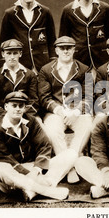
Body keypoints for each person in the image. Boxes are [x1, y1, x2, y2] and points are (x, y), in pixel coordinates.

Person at [0, 91, 77, 201]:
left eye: (21, 106)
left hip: (33, 168)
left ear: (25, 108)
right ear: (6, 107)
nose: (18, 109)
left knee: (71, 154)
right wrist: (32, 175)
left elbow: (44, 145)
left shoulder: (31, 121)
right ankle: (46, 191)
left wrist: (36, 170)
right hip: (12, 175)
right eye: (14, 105)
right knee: (0, 168)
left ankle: (31, 191)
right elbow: (4, 158)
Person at [37, 36, 94, 183]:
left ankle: (67, 164)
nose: (66, 51)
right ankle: (71, 168)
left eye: (69, 48)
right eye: (62, 48)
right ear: (56, 50)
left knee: (87, 126)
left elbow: (89, 96)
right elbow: (44, 98)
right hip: (56, 112)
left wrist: (75, 111)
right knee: (52, 130)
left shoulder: (84, 69)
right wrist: (60, 111)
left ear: (74, 50)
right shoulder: (46, 70)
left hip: (78, 112)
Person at [59, 0, 109, 76]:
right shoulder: (68, 10)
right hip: (79, 58)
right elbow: (63, 37)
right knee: (85, 89)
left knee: (102, 88)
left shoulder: (104, 8)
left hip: (101, 58)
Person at [0, 0, 56, 74]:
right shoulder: (10, 14)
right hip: (20, 64)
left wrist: (53, 62)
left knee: (43, 88)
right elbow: (3, 42)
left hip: (42, 64)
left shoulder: (45, 12)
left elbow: (52, 39)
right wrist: (3, 66)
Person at [0, 39, 39, 122]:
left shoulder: (30, 74)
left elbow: (34, 101)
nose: (12, 57)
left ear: (20, 54)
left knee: (41, 129)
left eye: (15, 53)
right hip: (2, 117)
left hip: (26, 115)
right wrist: (7, 116)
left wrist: (21, 114)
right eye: (8, 53)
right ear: (3, 54)